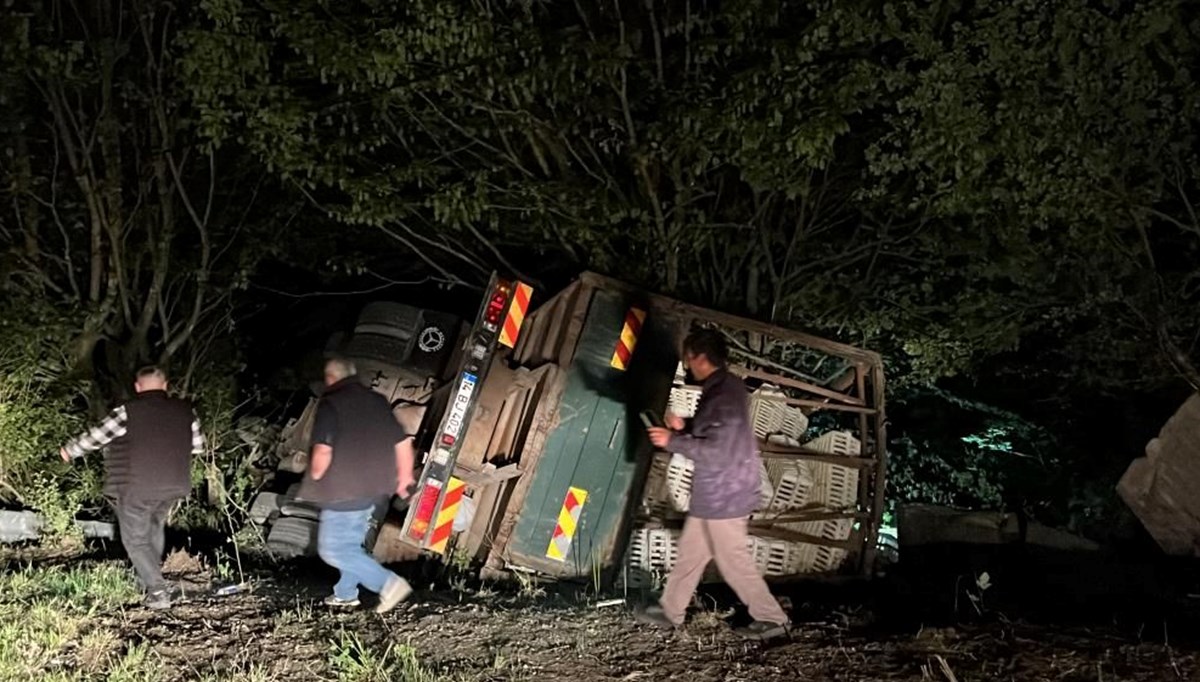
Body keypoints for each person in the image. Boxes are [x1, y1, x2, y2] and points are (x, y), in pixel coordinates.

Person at [639, 329, 791, 640]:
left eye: (688, 358)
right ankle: (671, 610)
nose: (688, 363)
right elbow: (717, 433)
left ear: (698, 357)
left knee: (733, 561)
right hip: (717, 493)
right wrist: (685, 427)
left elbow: (717, 449)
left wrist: (673, 441)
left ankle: (774, 620)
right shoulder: (725, 387)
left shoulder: (722, 392)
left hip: (725, 494)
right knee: (692, 554)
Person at [60, 366, 204, 610]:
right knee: (153, 527)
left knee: (135, 540)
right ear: (166, 385)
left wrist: (69, 450)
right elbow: (198, 446)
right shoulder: (185, 411)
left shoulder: (128, 412)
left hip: (136, 486)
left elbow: (96, 437)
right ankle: (147, 578)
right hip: (173, 485)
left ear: (137, 387)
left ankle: (158, 592)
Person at [299, 357, 416, 613]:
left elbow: (322, 452)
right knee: (350, 545)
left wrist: (317, 475)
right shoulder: (377, 401)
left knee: (333, 550)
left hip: (344, 488)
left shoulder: (331, 405)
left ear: (331, 379)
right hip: (373, 489)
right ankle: (345, 594)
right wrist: (405, 477)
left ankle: (388, 584)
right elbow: (403, 443)